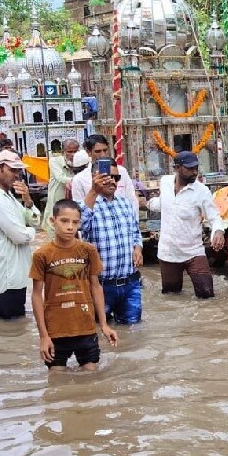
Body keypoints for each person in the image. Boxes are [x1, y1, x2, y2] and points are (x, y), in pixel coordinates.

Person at [30, 198, 118, 371]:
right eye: (64, 221)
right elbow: (36, 294)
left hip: (86, 327)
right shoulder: (42, 255)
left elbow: (96, 287)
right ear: (52, 221)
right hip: (56, 330)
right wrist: (43, 336)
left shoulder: (88, 250)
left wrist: (103, 324)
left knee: (91, 377)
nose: (70, 227)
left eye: (75, 222)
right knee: (56, 378)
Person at [147, 150, 227, 298]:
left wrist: (218, 232)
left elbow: (214, 217)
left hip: (193, 252)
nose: (194, 172)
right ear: (177, 168)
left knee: (207, 295)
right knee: (171, 296)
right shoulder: (165, 182)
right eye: (190, 168)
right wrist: (147, 203)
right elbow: (165, 203)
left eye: (196, 168)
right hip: (168, 252)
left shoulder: (202, 191)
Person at [81, 157, 145, 325]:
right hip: (100, 285)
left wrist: (137, 248)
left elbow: (135, 232)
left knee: (133, 330)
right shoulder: (87, 205)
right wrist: (93, 191)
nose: (112, 181)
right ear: (95, 177)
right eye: (107, 176)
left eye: (116, 177)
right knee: (98, 329)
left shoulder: (126, 204)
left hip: (130, 283)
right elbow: (79, 225)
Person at [0, 150, 42, 320]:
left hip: (16, 274)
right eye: (12, 170)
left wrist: (28, 200)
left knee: (15, 324)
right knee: (11, 325)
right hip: (7, 277)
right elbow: (20, 236)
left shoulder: (8, 196)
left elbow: (34, 221)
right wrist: (32, 232)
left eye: (18, 171)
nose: (17, 175)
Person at [70, 134, 138, 213]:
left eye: (105, 150)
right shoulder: (80, 179)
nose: (102, 155)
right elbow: (78, 209)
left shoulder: (121, 171)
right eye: (98, 151)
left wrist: (134, 219)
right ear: (88, 152)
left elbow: (132, 200)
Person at [41, 138, 82, 237]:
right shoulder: (54, 161)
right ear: (63, 151)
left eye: (75, 151)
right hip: (57, 202)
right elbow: (61, 178)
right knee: (55, 232)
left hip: (74, 205)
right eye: (70, 152)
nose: (73, 155)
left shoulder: (82, 162)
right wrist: (80, 180)